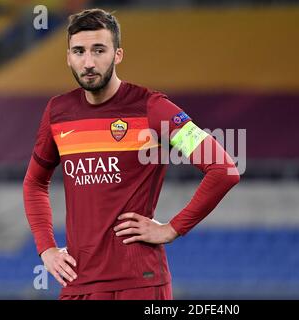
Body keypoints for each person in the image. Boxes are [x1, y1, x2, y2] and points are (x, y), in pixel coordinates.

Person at [23, 8, 240, 300]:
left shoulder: (153, 107)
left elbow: (223, 169)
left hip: (140, 284)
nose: (88, 62)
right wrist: (46, 248)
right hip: (78, 284)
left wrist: (173, 228)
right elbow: (35, 183)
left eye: (99, 50)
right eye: (79, 51)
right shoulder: (57, 112)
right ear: (68, 57)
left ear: (118, 55)